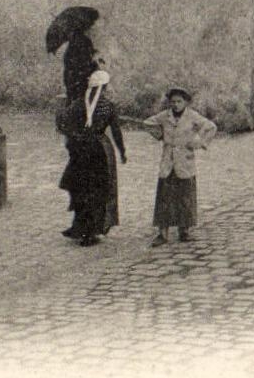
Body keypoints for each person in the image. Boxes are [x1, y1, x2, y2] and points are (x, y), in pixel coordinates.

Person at [56, 69, 126, 247]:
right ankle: (92, 230)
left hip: (81, 151)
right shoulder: (108, 106)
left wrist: (75, 138)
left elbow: (63, 123)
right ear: (104, 87)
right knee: (98, 189)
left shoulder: (78, 103)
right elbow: (116, 131)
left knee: (82, 189)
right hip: (100, 150)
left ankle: (80, 227)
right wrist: (122, 151)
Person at [142, 86, 217, 246]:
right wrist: (160, 135)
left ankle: (185, 231)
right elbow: (147, 123)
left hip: (185, 161)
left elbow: (210, 127)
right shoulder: (164, 116)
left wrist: (199, 142)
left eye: (179, 101)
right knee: (165, 197)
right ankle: (162, 233)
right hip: (168, 162)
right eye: (173, 102)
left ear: (186, 102)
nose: (175, 104)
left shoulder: (192, 116)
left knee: (185, 197)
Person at [63, 26, 98, 102]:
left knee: (75, 95)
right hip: (79, 75)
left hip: (76, 75)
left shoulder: (73, 43)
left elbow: (68, 60)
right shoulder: (84, 41)